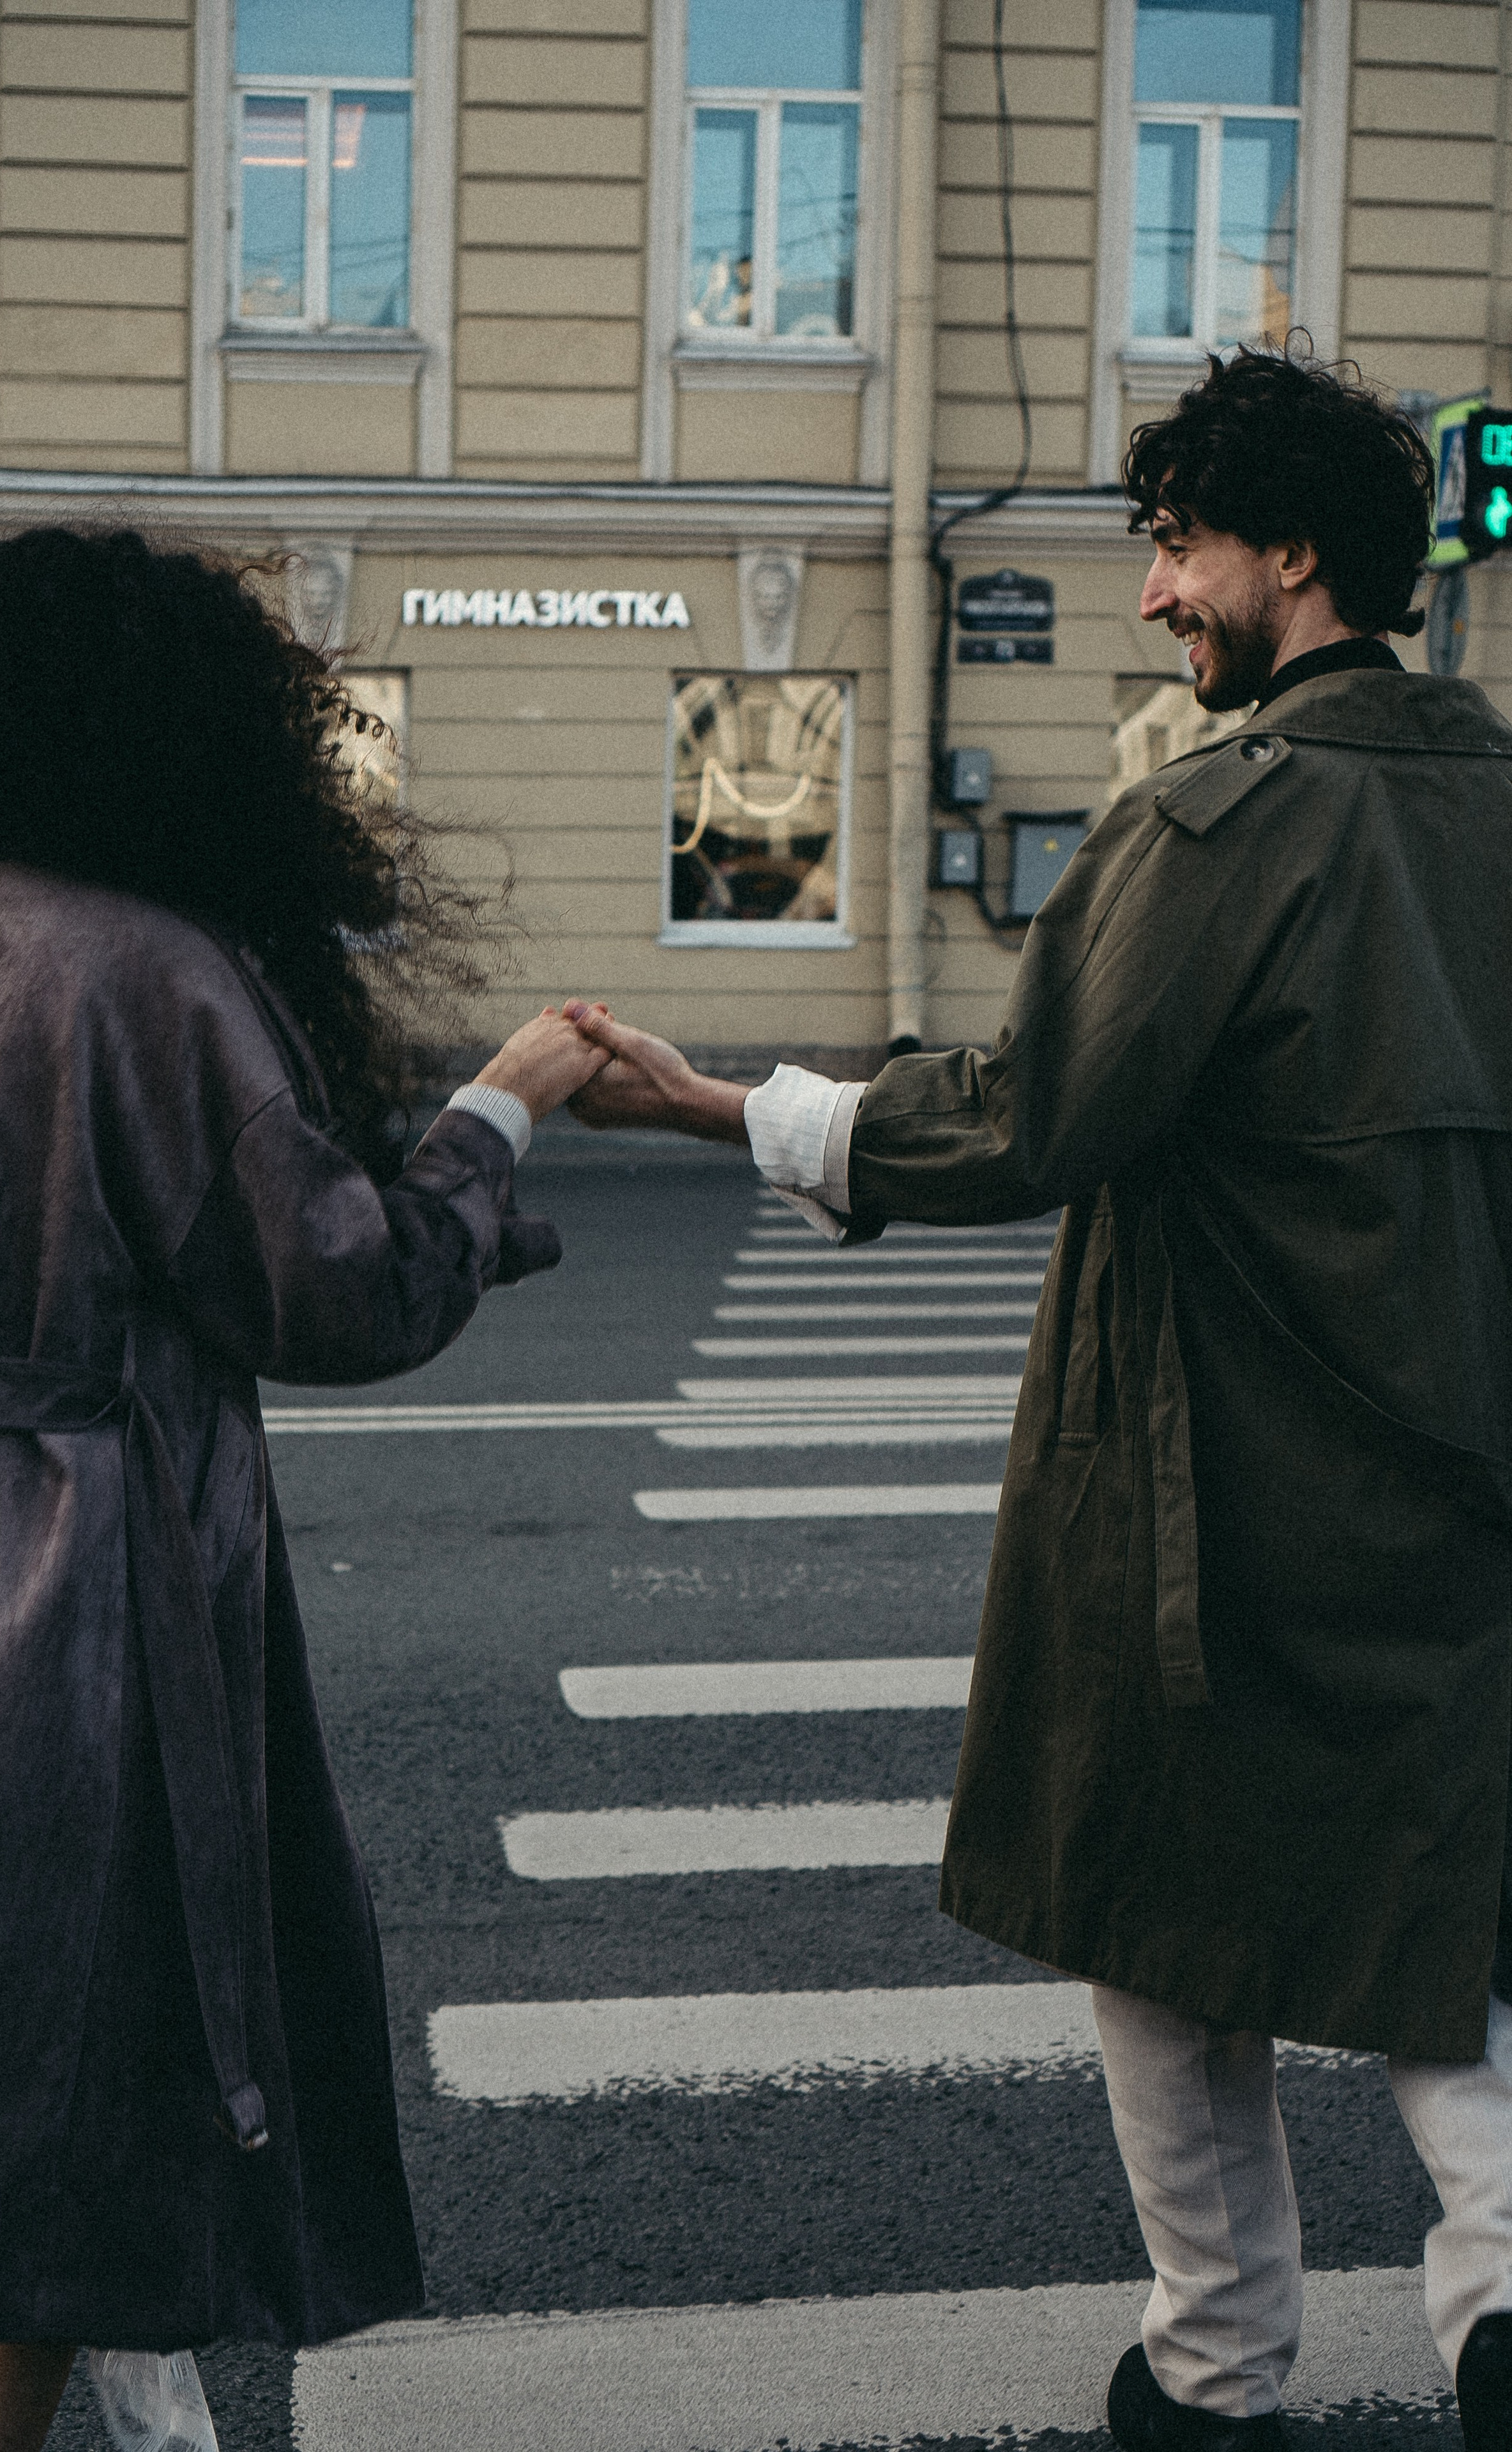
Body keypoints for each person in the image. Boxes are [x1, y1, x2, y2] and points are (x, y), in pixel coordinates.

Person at [566, 344, 1512, 2450]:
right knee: (1450, 1895)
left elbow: (1026, 1118)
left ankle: (1215, 2367)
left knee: (1158, 1908)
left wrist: (727, 1107)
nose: (1158, 598)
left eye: (1177, 548)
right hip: (1468, 1474)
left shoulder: (1228, 816)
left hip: (1219, 1474)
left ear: (1292, 554)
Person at [0, 524, 607, 2450]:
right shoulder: (143, 969)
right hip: (48, 1584)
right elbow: (346, 1291)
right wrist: (501, 1110)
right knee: (49, 2063)